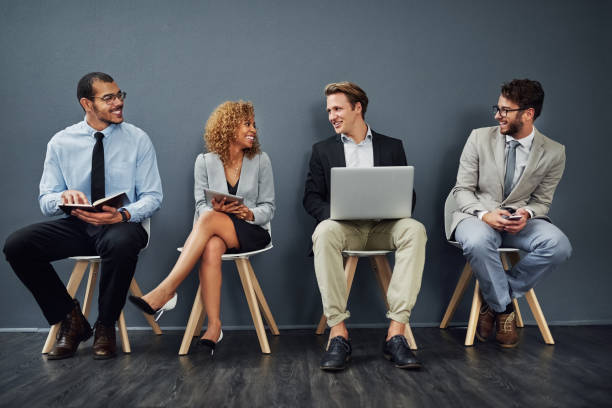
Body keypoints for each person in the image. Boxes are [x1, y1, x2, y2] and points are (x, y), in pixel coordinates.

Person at [3, 72, 163, 359]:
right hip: (79, 226)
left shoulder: (138, 139)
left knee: (121, 242)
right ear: (87, 104)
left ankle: (105, 326)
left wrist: (123, 215)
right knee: (17, 245)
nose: (118, 103)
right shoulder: (61, 142)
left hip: (123, 225)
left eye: (119, 95)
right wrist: (62, 197)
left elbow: (153, 197)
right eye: (109, 98)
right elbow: (46, 198)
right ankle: (71, 318)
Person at [129, 101, 274, 353]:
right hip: (218, 230)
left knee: (208, 221)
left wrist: (248, 212)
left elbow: (269, 207)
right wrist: (220, 210)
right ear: (228, 128)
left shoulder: (261, 160)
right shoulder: (204, 162)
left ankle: (166, 291)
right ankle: (214, 327)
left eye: (254, 124)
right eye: (247, 124)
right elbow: (200, 205)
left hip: (253, 231)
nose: (254, 130)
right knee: (211, 244)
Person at [303, 82, 427, 371]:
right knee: (323, 232)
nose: (331, 115)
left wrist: (399, 201)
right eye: (329, 110)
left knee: (415, 229)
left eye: (337, 108)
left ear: (357, 108)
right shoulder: (321, 150)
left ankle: (396, 335)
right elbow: (310, 198)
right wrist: (333, 214)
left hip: (385, 227)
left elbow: (408, 196)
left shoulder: (391, 146)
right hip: (345, 229)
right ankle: (338, 334)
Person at [445, 79, 572, 348]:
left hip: (519, 224)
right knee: (478, 242)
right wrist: (484, 215)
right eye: (498, 108)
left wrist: (526, 213)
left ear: (528, 114)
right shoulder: (479, 137)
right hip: (476, 217)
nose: (497, 115)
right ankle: (504, 311)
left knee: (559, 245)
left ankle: (495, 302)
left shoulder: (554, 152)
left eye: (505, 110)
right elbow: (462, 190)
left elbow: (542, 202)